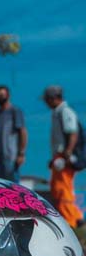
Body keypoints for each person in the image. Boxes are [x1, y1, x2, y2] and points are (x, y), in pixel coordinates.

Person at [43, 85, 83, 228]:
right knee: (57, 188)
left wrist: (67, 152)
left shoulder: (65, 112)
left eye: (47, 99)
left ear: (54, 98)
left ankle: (70, 221)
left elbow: (73, 132)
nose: (46, 103)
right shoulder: (57, 113)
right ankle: (76, 217)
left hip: (64, 156)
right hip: (59, 156)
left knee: (62, 188)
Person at [0, 84, 27, 182]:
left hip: (11, 155)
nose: (0, 98)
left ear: (8, 96)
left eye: (2, 95)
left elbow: (23, 132)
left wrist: (21, 154)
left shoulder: (15, 111)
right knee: (2, 184)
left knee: (12, 184)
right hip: (0, 156)